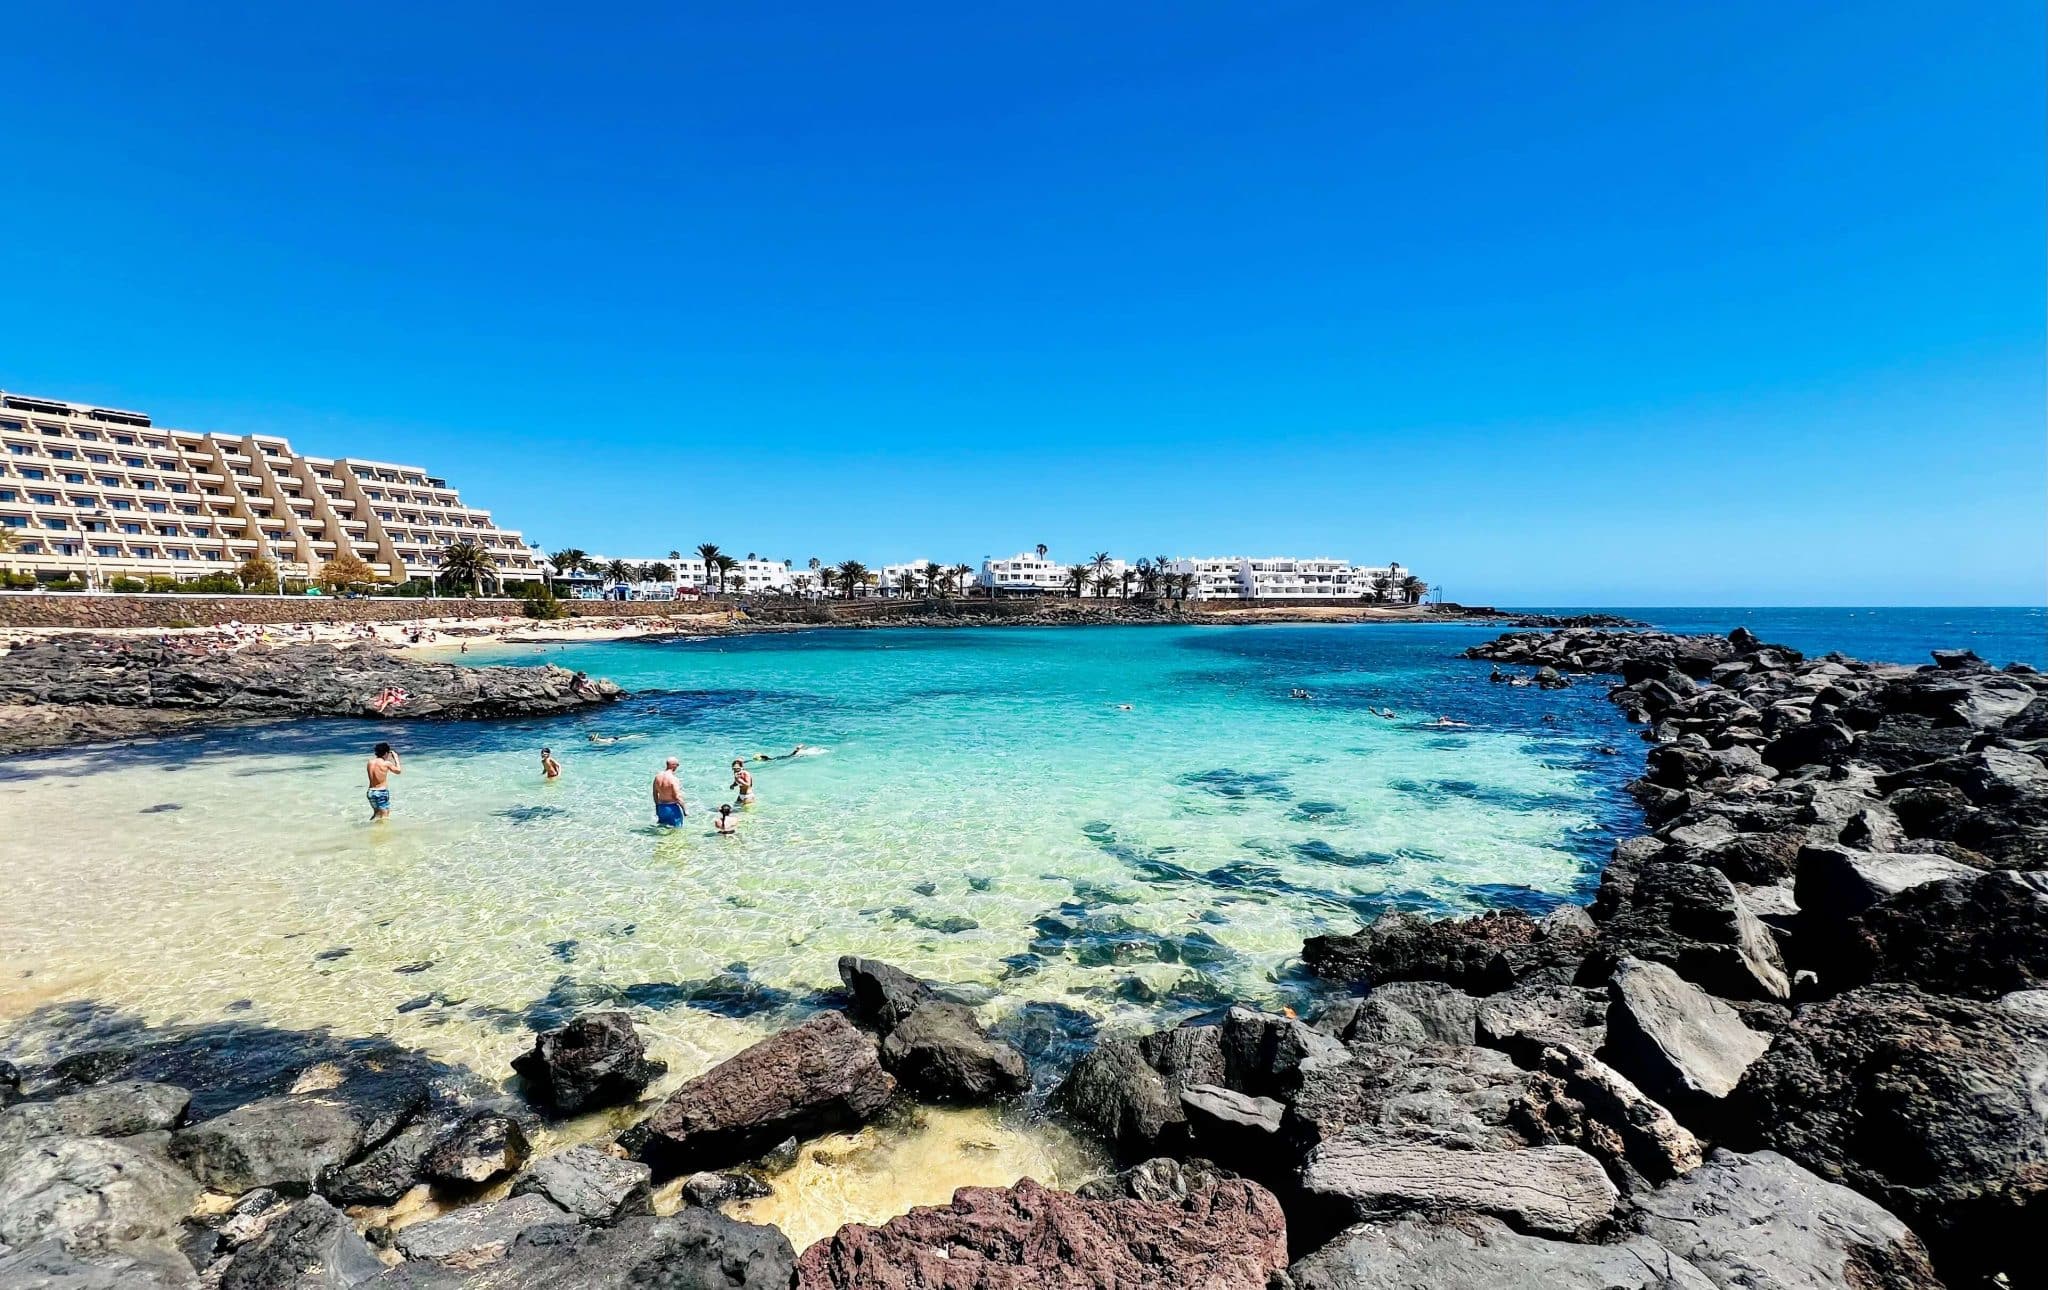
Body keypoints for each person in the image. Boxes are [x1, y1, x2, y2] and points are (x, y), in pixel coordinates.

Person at [366, 742, 401, 821]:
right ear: (386, 753)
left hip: (370, 792)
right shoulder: (386, 763)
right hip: (381, 792)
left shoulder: (370, 762)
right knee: (384, 817)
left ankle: (370, 829)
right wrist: (396, 758)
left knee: (376, 814)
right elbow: (398, 771)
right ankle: (381, 832)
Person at [652, 757, 687, 827]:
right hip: (672, 809)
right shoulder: (673, 779)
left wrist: (657, 806)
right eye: (677, 765)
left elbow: (655, 793)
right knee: (677, 831)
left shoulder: (657, 777)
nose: (678, 767)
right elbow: (677, 797)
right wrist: (685, 810)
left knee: (662, 829)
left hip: (661, 808)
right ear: (673, 765)